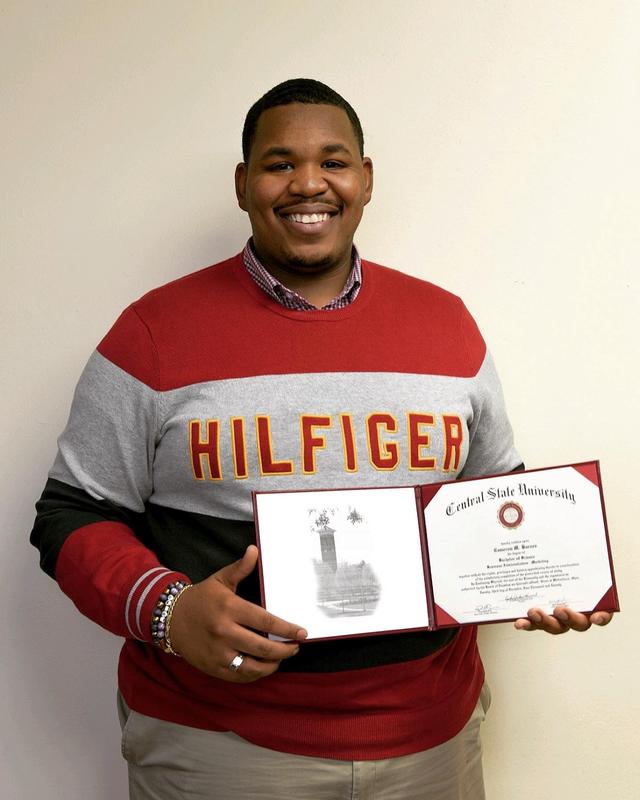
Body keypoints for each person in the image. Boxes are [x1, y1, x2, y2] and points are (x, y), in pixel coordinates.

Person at [31, 78, 611, 800]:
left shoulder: (448, 325)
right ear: (243, 185)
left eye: (333, 161)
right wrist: (169, 611)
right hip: (221, 746)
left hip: (430, 739)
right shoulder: (151, 334)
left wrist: (546, 575)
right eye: (279, 163)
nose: (309, 183)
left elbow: (496, 503)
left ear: (365, 180)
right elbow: (71, 515)